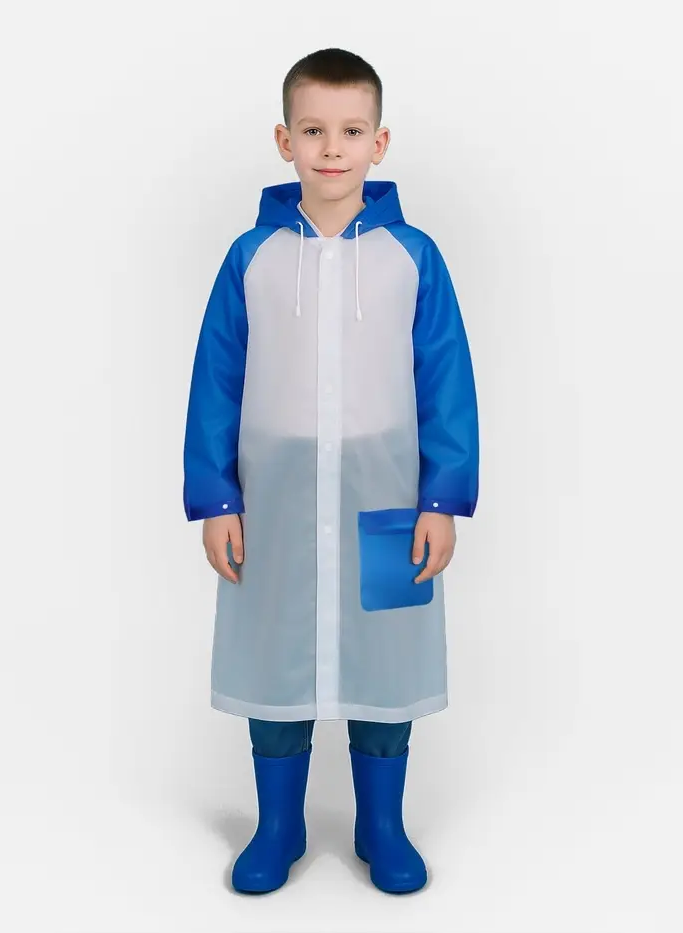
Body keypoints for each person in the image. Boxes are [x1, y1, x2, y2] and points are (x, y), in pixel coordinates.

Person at [182, 47, 480, 895]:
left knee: (385, 662)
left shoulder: (413, 257)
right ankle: (278, 825)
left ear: (379, 143)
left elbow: (445, 378)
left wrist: (441, 498)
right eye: (313, 130)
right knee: (274, 659)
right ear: (285, 141)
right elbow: (216, 380)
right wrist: (217, 496)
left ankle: (381, 824)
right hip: (274, 502)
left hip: (386, 499)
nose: (332, 148)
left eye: (351, 131)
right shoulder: (251, 258)